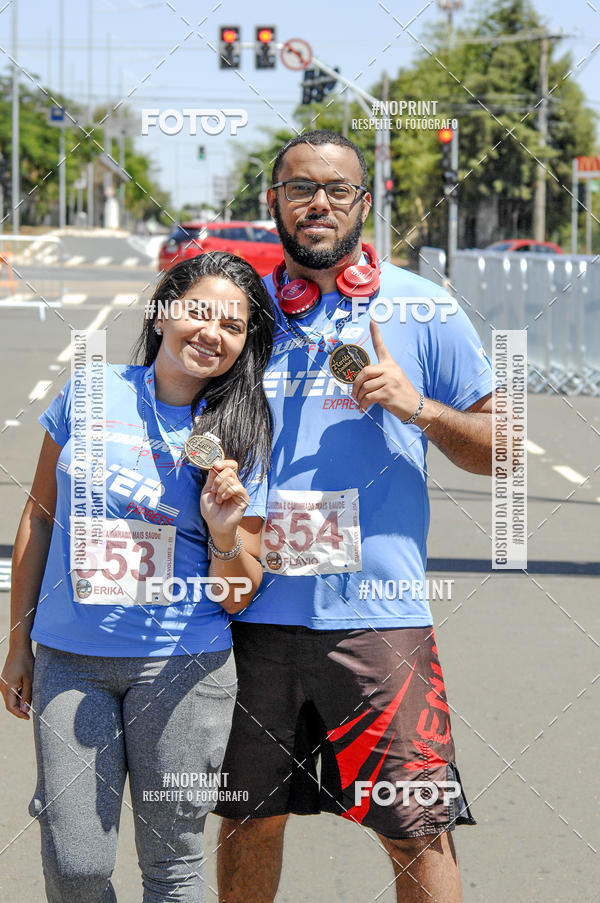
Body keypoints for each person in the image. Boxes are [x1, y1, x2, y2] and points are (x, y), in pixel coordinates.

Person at [215, 130, 494, 903]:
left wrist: (420, 407)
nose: (319, 203)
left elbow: (503, 448)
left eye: (338, 190)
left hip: (379, 620)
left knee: (417, 826)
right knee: (248, 819)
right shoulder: (234, 312)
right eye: (301, 188)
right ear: (273, 201)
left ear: (364, 204)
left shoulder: (421, 307)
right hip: (250, 610)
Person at [0, 251, 275, 903]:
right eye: (198, 312)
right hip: (72, 660)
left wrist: (222, 527)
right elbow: (38, 518)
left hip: (185, 666)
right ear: (163, 314)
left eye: (232, 325)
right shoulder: (89, 392)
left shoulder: (241, 433)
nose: (212, 332)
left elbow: (238, 590)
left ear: (245, 344)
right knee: (75, 862)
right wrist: (18, 641)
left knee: (173, 866)